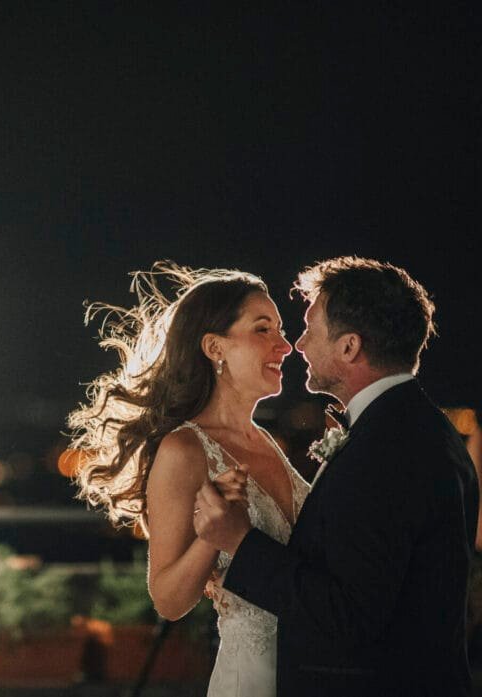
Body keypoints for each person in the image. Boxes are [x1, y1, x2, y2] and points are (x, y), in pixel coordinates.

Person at [193, 256, 479, 697]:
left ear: (349, 347)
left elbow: (349, 614)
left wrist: (240, 543)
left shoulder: (387, 450)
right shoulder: (417, 430)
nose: (298, 344)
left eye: (310, 328)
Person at [69, 261, 306, 697]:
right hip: (253, 679)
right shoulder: (185, 450)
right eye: (263, 330)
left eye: (280, 330)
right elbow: (168, 599)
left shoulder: (268, 442)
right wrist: (211, 537)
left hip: (308, 672)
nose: (285, 346)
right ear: (215, 347)